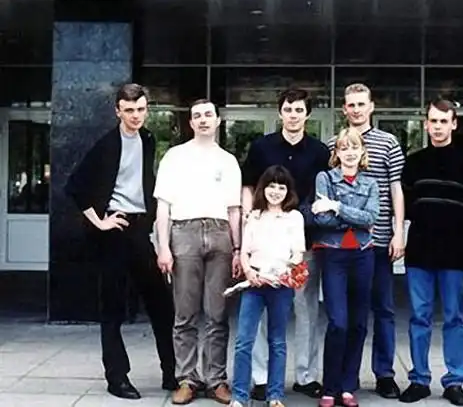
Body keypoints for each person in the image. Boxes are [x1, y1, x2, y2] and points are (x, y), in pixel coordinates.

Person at [65, 83, 176, 399]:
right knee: (113, 308)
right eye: (129, 110)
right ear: (118, 111)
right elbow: (75, 187)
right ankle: (117, 377)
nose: (135, 115)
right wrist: (100, 221)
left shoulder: (148, 139)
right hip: (114, 232)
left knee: (161, 305)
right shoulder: (106, 145)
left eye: (140, 109)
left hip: (141, 230)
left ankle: (171, 372)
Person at [399, 98, 463, 406]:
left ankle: (455, 381)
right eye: (433, 121)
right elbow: (405, 203)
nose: (437, 127)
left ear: (453, 124)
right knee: (419, 317)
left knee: (454, 318)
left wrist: (455, 222)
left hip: (454, 252)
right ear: (426, 125)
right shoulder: (414, 163)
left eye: (443, 121)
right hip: (419, 251)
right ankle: (419, 379)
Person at [242, 88, 330, 400]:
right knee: (265, 312)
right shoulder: (261, 147)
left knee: (306, 310)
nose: (293, 115)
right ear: (280, 112)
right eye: (288, 109)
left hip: (304, 242)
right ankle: (262, 378)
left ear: (308, 114)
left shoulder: (320, 152)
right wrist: (248, 222)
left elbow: (323, 196)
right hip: (266, 243)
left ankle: (306, 376)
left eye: (299, 110)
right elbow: (248, 187)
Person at [154, 99, 242, 405]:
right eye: (197, 116)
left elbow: (234, 209)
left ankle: (216, 379)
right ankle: (187, 379)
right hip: (184, 232)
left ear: (218, 120)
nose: (203, 120)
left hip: (220, 234)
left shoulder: (228, 161)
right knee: (185, 313)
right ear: (190, 123)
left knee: (218, 314)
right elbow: (163, 206)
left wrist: (237, 248)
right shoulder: (175, 157)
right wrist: (163, 247)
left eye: (208, 115)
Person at [327, 83, 405, 399]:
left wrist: (399, 231)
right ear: (344, 109)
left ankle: (384, 374)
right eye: (351, 105)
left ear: (371, 107)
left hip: (380, 239)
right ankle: (345, 379)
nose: (356, 109)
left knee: (383, 309)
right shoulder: (334, 144)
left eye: (361, 104)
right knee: (344, 316)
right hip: (343, 244)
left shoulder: (388, 143)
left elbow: (396, 188)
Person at [312, 127, 380, 407]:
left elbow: (371, 218)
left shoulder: (371, 183)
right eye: (344, 147)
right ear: (336, 153)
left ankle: (348, 386)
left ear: (362, 151)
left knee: (358, 323)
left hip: (363, 255)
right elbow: (321, 221)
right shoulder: (325, 178)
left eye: (354, 147)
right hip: (334, 255)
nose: (349, 153)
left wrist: (337, 207)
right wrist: (353, 219)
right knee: (338, 322)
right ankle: (330, 387)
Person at [230, 165, 307, 407]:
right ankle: (239, 396)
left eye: (281, 187)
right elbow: (245, 251)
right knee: (244, 340)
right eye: (271, 186)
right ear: (263, 188)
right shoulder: (254, 216)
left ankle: (275, 395)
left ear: (288, 191)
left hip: (280, 284)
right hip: (254, 283)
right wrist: (249, 271)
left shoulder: (294, 217)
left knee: (277, 341)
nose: (276, 191)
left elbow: (298, 253)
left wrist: (284, 271)